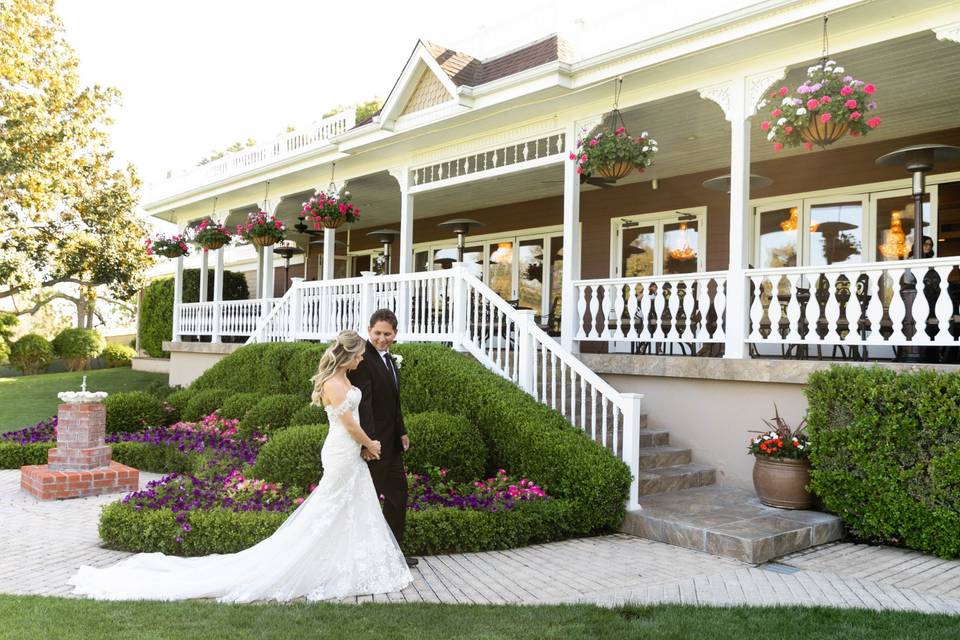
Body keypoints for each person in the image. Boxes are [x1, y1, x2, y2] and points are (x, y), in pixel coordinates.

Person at [68, 330, 412, 602]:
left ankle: (345, 561)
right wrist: (370, 442)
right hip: (341, 450)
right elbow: (350, 423)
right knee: (329, 507)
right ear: (349, 354)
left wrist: (366, 444)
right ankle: (306, 562)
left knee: (348, 506)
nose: (363, 357)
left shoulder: (345, 380)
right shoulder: (335, 384)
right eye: (360, 354)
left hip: (349, 451)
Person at [348, 308, 418, 568]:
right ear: (369, 331)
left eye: (387, 334)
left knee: (399, 496)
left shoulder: (390, 360)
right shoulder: (363, 360)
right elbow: (364, 406)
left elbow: (393, 402)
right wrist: (368, 443)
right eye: (377, 333)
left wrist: (402, 430)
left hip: (393, 445)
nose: (382, 338)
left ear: (395, 334)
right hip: (375, 445)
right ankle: (365, 555)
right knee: (369, 499)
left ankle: (394, 554)